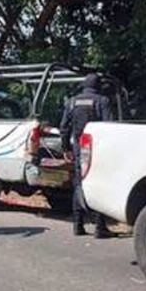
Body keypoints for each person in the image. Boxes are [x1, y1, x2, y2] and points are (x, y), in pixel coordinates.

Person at [59, 73, 112, 238]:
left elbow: (63, 127)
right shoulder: (102, 101)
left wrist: (65, 148)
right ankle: (100, 227)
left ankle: (78, 225)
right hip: (97, 149)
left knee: (79, 184)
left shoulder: (72, 102)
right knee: (99, 184)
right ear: (98, 86)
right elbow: (108, 127)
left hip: (78, 148)